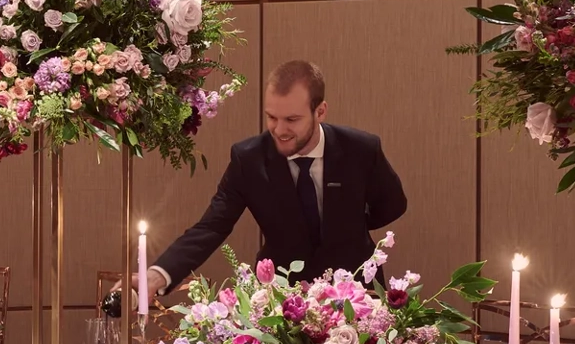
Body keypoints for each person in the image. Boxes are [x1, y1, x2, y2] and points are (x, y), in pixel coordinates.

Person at [144, 60, 406, 296]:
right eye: (272, 117)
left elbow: (393, 204)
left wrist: (351, 226)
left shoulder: (360, 148)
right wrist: (160, 273)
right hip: (280, 299)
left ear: (321, 111)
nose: (279, 130)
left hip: (358, 294)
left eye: (292, 119)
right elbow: (212, 226)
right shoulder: (248, 159)